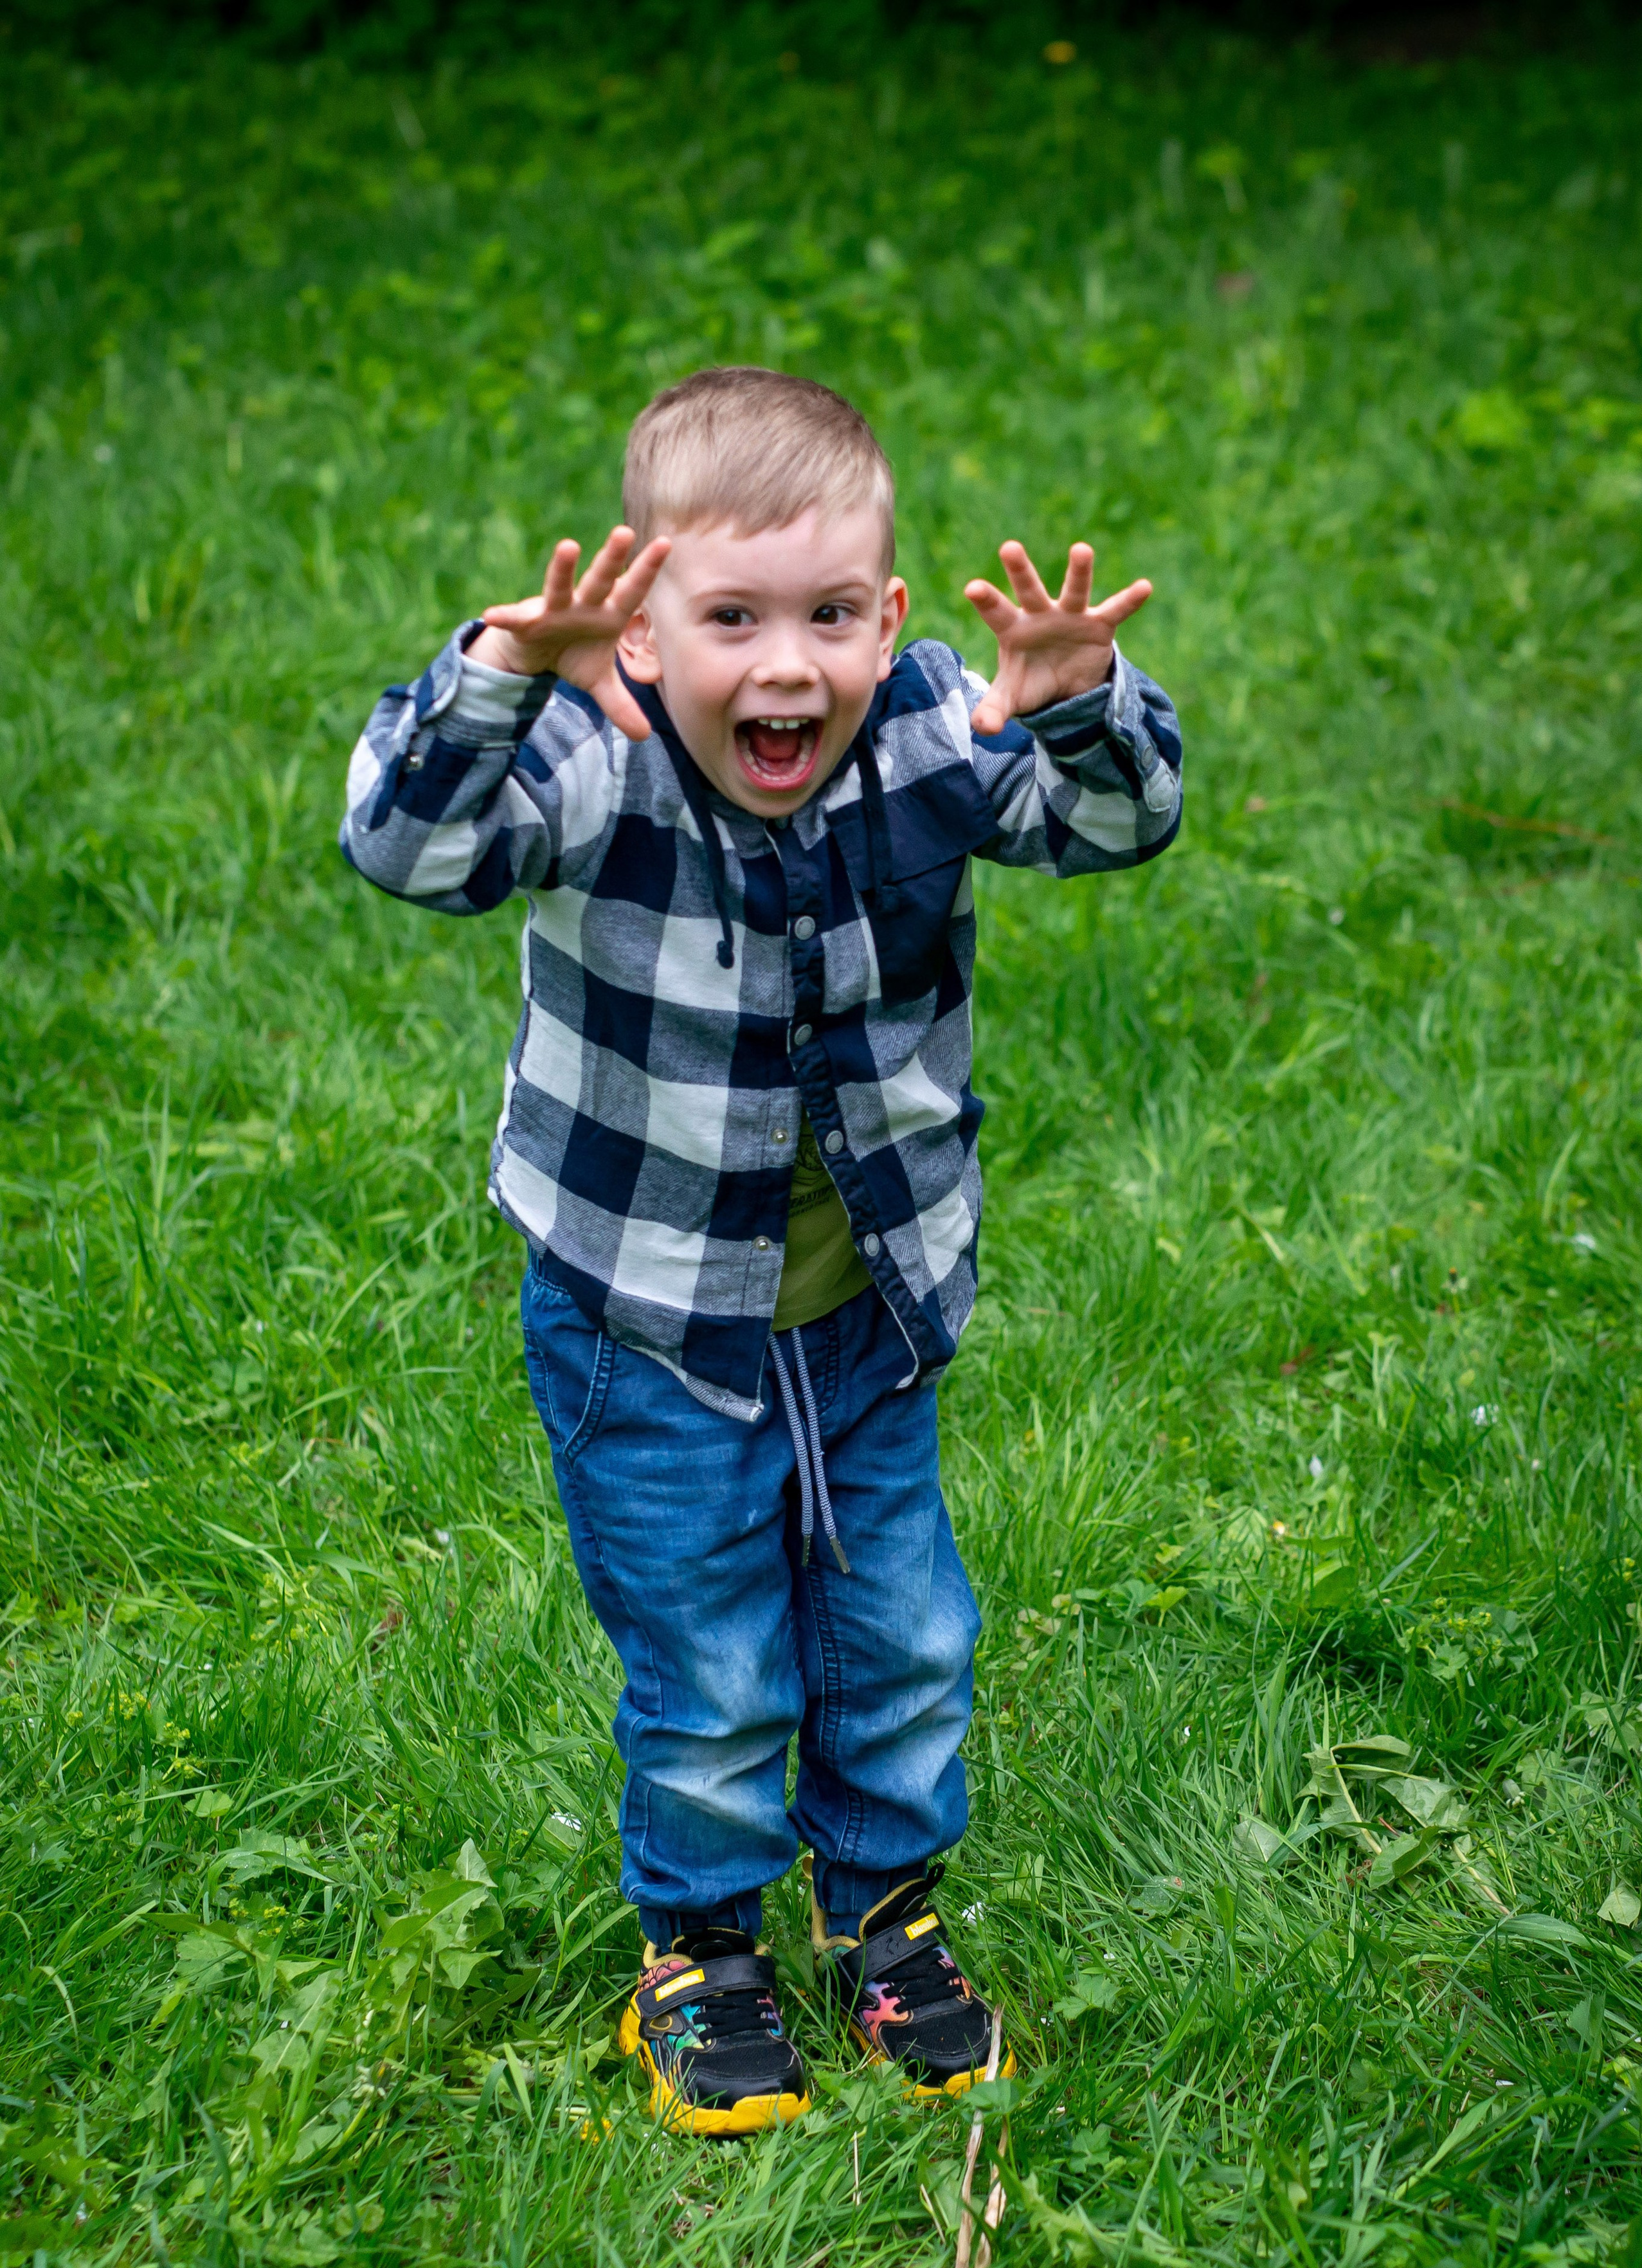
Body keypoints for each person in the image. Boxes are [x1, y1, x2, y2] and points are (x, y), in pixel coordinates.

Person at [340, 366, 1182, 2136]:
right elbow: (404, 847)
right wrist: (496, 674)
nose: (784, 667)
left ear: (890, 616)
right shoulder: (589, 755)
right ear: (642, 622)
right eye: (730, 618)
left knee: (898, 1627)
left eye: (828, 615)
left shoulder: (936, 732)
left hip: (868, 1313)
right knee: (713, 1652)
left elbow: (1120, 821)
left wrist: (1084, 700)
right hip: (643, 1321)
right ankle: (702, 1951)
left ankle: (881, 1912)